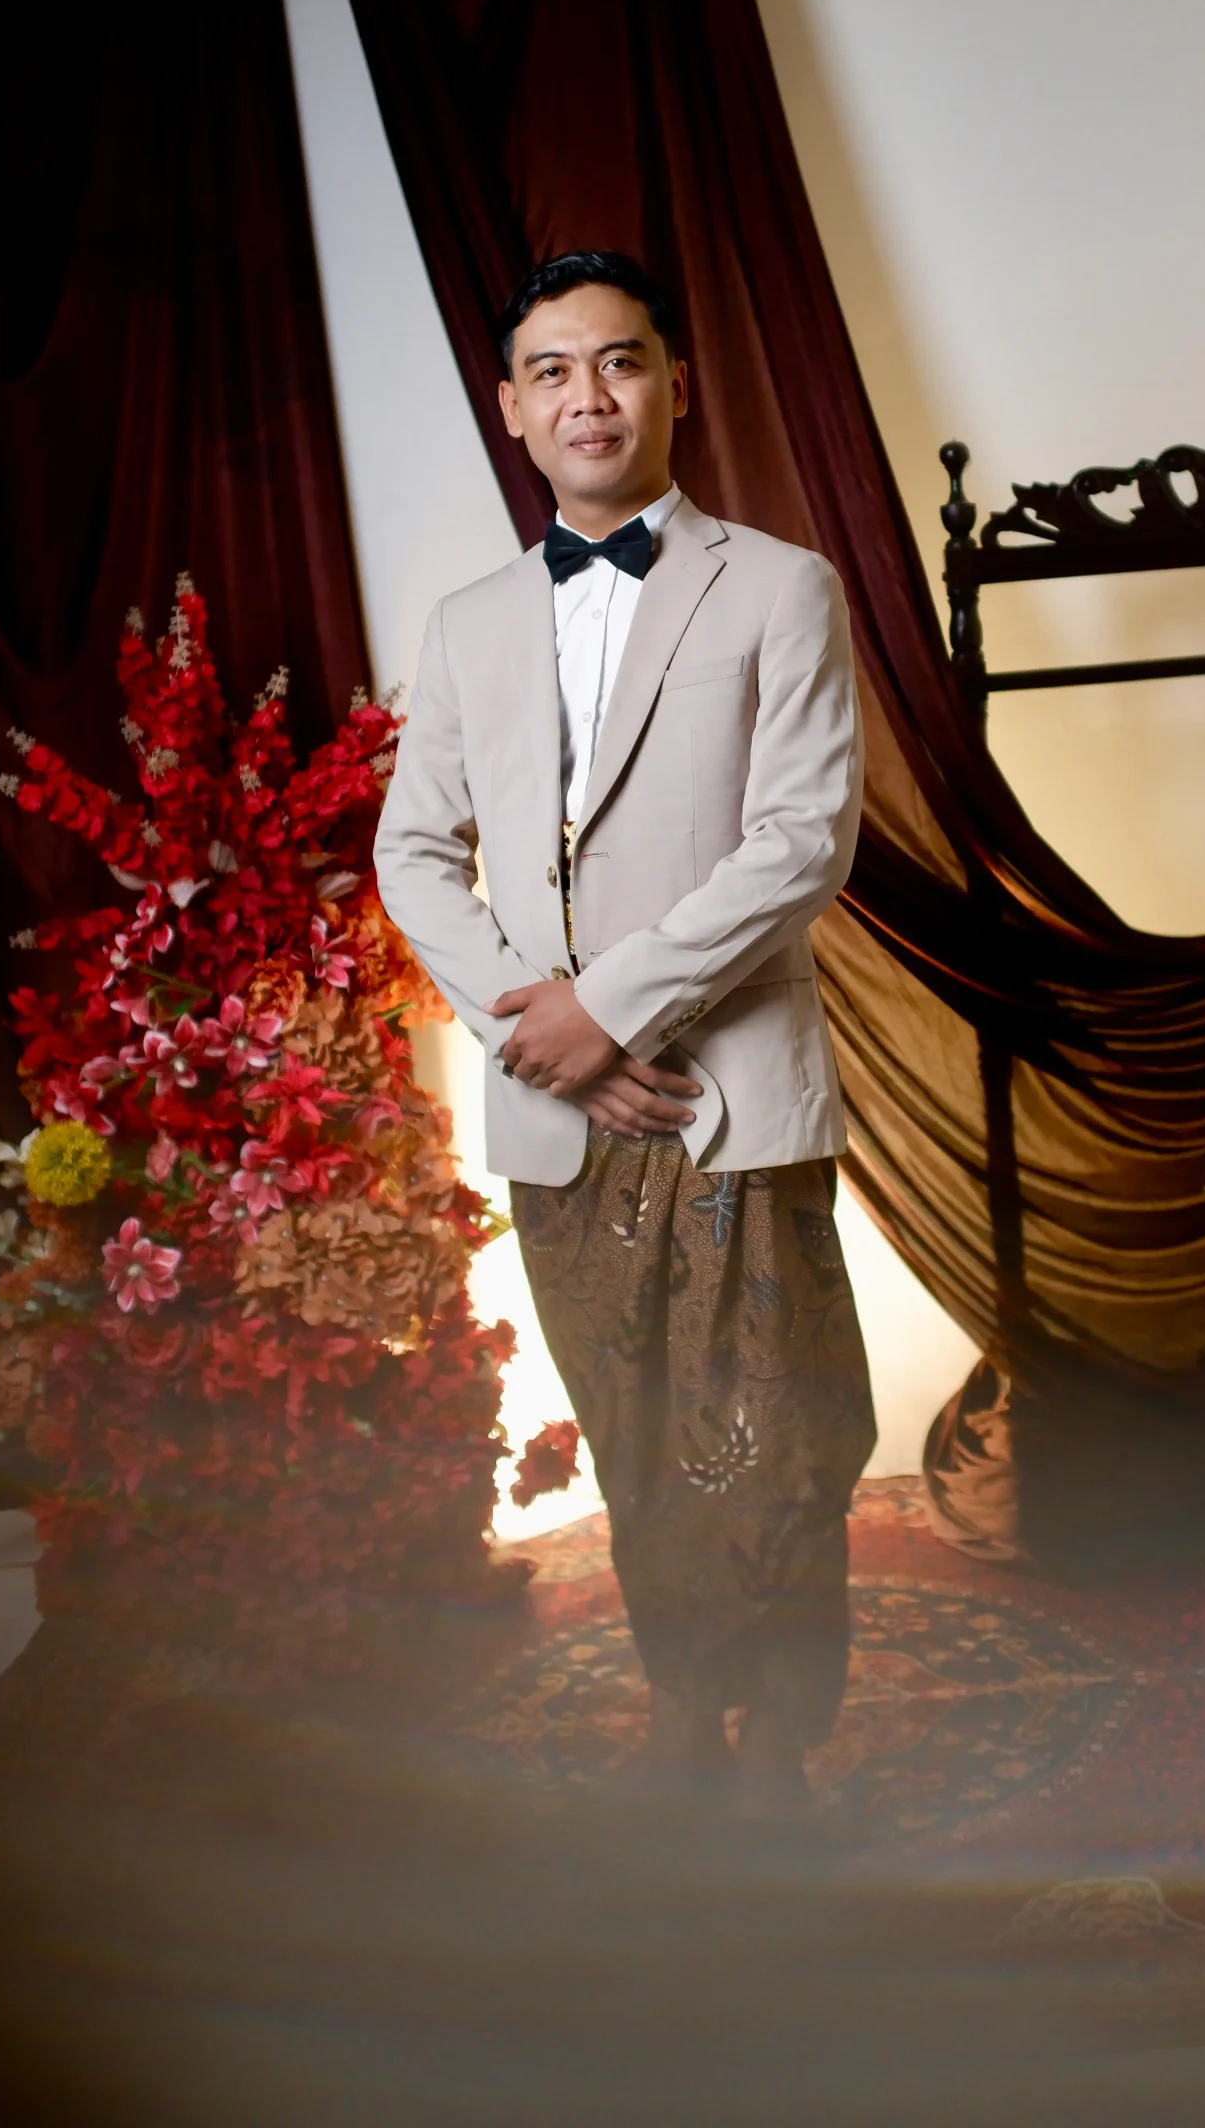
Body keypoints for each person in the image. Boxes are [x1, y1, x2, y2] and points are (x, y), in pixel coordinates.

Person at [375, 250, 875, 1816]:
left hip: (731, 1093)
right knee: (637, 1432)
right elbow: (412, 853)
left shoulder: (780, 585)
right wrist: (540, 1033)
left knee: (776, 1433)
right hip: (558, 1109)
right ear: (511, 409)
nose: (587, 394)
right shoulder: (466, 625)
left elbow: (801, 842)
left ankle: (780, 1737)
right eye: (552, 369)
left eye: (620, 360)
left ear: (674, 383)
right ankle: (679, 1703)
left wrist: (613, 1009)